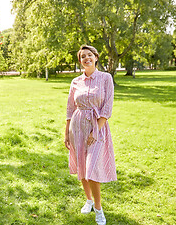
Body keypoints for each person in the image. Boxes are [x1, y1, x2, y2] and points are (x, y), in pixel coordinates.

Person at [64, 45, 117, 225]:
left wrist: (96, 130)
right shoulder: (75, 82)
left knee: (92, 168)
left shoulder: (105, 78)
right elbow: (70, 109)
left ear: (96, 57)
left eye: (89, 55)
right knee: (82, 168)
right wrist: (66, 133)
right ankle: (88, 200)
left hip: (97, 127)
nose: (86, 58)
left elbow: (107, 108)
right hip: (77, 127)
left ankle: (99, 209)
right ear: (80, 61)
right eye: (82, 56)